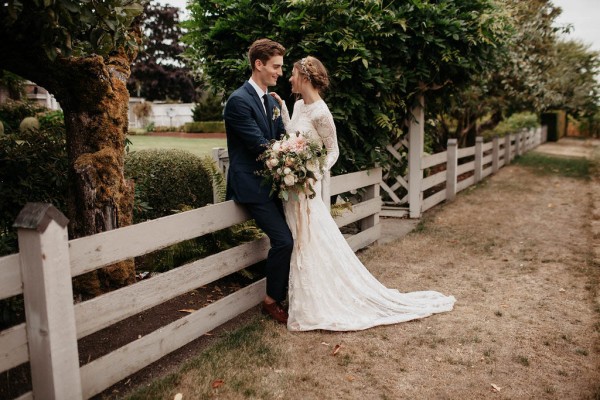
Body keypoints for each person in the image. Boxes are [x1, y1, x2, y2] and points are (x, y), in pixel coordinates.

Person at [270, 56, 456, 331]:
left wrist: (314, 172)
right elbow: (293, 135)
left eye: (294, 74)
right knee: (299, 239)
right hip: (293, 186)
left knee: (310, 239)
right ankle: (304, 298)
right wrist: (284, 109)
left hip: (308, 185)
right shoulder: (297, 104)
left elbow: (333, 151)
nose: (290, 78)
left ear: (306, 78)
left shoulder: (322, 112)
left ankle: (316, 301)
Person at [223, 39, 292, 324]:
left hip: (272, 183)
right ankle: (272, 300)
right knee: (284, 240)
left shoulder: (270, 100)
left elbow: (278, 138)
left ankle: (285, 291)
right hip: (251, 186)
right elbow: (261, 145)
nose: (280, 73)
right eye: (276, 67)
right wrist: (291, 159)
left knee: (292, 236)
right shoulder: (238, 101)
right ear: (259, 64)